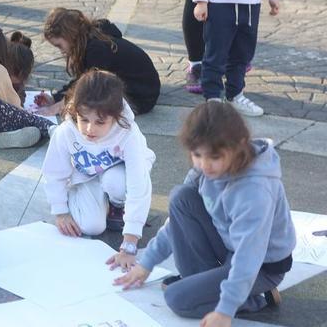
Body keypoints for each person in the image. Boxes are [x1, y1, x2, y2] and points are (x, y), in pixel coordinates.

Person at [116, 102, 294, 326]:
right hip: (228, 245)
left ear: (239, 146)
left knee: (177, 299)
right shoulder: (203, 168)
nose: (205, 165)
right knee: (181, 197)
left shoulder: (254, 190)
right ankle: (207, 287)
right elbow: (176, 223)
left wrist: (225, 310)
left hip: (262, 265)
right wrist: (146, 264)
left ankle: (256, 298)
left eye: (215, 157)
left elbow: (248, 255)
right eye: (197, 155)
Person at [43, 70, 155, 257]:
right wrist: (60, 211)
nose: (89, 129)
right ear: (75, 112)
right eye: (83, 119)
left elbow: (139, 185)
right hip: (89, 176)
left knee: (115, 183)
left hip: (119, 175)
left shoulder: (128, 133)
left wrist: (130, 239)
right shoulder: (66, 132)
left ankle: (117, 206)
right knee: (91, 227)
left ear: (116, 116)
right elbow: (54, 172)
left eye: (100, 122)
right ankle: (92, 201)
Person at [40, 8, 161, 116]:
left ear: (69, 36)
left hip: (141, 97)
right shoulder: (90, 41)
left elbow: (90, 86)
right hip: (138, 90)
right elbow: (82, 80)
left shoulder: (97, 48)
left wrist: (59, 106)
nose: (61, 51)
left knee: (88, 105)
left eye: (59, 45)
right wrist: (55, 98)